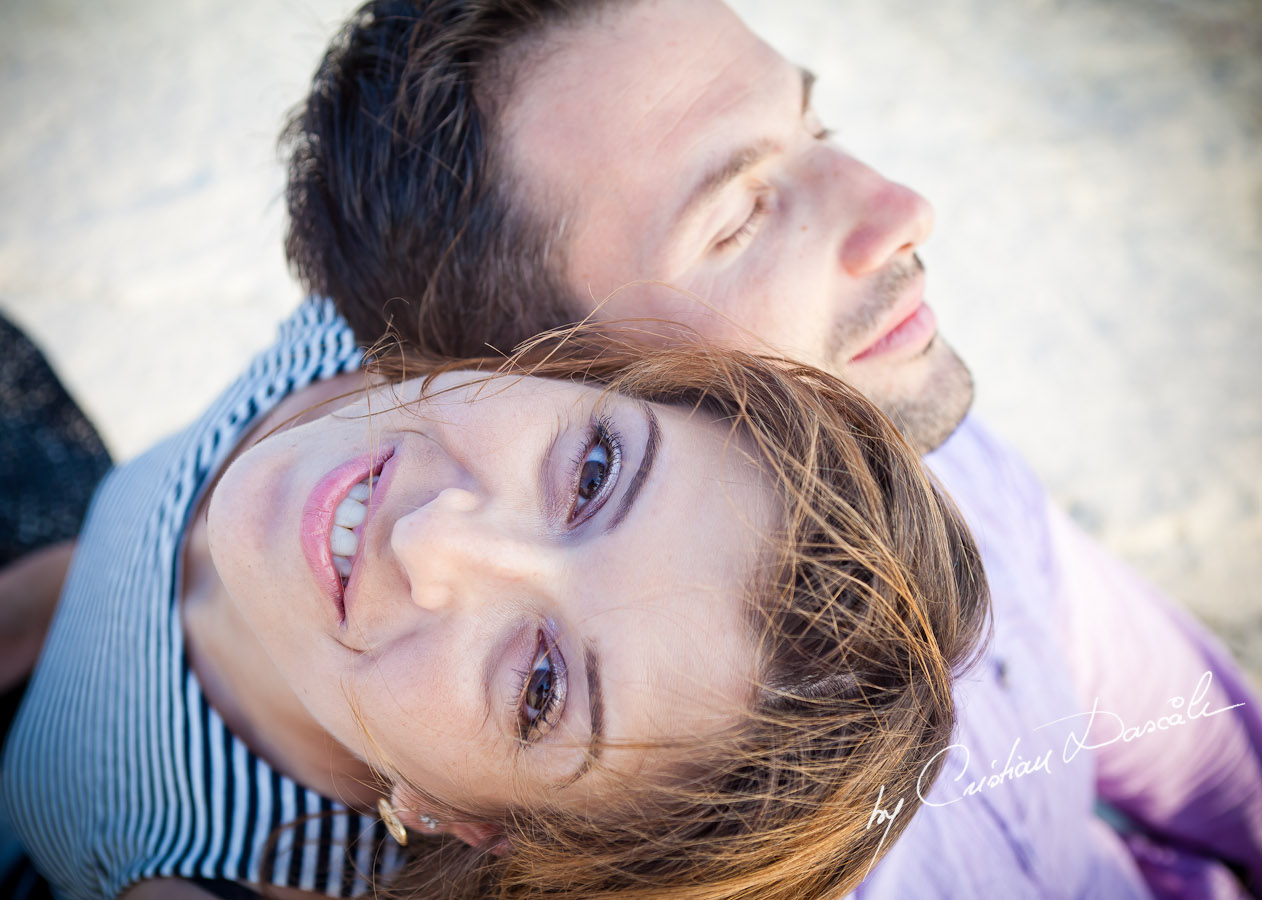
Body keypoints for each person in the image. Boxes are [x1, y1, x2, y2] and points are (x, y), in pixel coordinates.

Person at [277, 0, 1262, 896]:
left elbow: (1200, 744)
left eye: (815, 132)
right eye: (740, 217)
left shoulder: (912, 442)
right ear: (546, 382)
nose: (901, 208)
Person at [0, 296, 988, 899]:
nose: (433, 538)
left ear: (466, 816)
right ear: (603, 373)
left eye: (541, 689)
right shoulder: (358, 329)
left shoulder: (202, 880)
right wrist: (3, 615)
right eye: (594, 471)